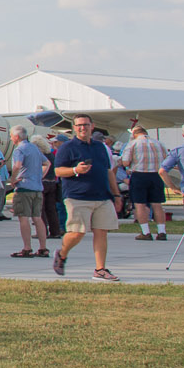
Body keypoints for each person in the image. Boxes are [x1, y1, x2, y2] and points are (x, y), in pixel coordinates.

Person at [53, 114, 123, 281]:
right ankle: (62, 254)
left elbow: (108, 172)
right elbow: (57, 171)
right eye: (78, 125)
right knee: (77, 233)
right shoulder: (67, 147)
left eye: (85, 125)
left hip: (102, 196)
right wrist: (75, 170)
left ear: (93, 126)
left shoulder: (100, 147)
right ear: (74, 128)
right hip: (78, 196)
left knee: (101, 231)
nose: (82, 128)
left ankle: (100, 269)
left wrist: (116, 195)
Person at [8, 125, 51, 259]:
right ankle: (43, 247)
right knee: (37, 217)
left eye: (11, 136)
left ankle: (27, 247)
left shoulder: (19, 149)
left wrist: (13, 179)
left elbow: (17, 165)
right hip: (37, 187)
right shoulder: (34, 148)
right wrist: (39, 176)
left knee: (24, 217)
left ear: (16, 137)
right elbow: (47, 163)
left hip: (24, 187)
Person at [120, 125, 168, 240]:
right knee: (157, 204)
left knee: (139, 204)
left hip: (139, 174)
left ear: (134, 134)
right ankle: (162, 231)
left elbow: (126, 162)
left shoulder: (132, 144)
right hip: (156, 175)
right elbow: (166, 158)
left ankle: (146, 232)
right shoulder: (159, 143)